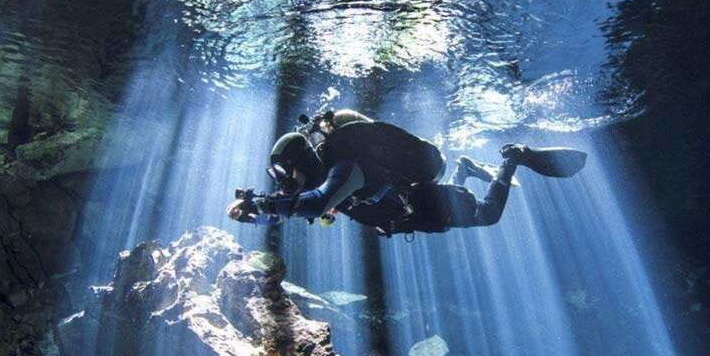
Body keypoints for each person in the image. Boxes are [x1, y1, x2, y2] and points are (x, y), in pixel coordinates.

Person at [227, 111, 585, 236]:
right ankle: (464, 169)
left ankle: (513, 157)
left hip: (418, 201)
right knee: (454, 208)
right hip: (409, 207)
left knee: (486, 216)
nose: (290, 185)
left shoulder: (345, 167)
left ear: (301, 161)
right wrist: (258, 216)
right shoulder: (330, 176)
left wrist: (262, 205)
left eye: (289, 175)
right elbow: (299, 205)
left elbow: (315, 204)